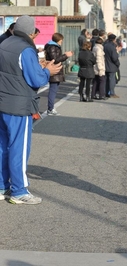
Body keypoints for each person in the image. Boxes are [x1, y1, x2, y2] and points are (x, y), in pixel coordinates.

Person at [0, 15, 62, 204]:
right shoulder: (26, 49)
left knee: (2, 146)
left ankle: (2, 186)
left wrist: (37, 67)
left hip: (2, 102)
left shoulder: (4, 43)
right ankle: (19, 191)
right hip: (19, 105)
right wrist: (46, 71)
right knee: (19, 148)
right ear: (30, 31)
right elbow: (36, 80)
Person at [44, 32, 74, 115]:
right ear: (59, 39)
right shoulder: (53, 47)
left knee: (54, 89)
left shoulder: (52, 46)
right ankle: (50, 109)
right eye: (61, 40)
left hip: (56, 70)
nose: (62, 42)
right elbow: (55, 59)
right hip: (54, 70)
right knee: (53, 90)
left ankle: (51, 108)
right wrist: (66, 55)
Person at [104, 34, 120, 98]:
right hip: (112, 65)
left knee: (107, 80)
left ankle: (106, 92)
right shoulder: (113, 47)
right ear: (114, 39)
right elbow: (114, 57)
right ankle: (112, 93)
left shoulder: (105, 45)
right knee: (112, 80)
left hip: (105, 64)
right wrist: (117, 63)